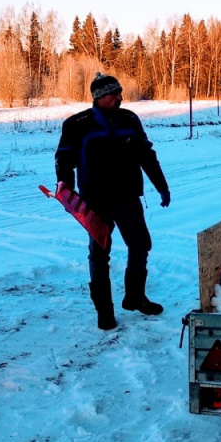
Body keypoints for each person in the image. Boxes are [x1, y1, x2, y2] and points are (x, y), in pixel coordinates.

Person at [55, 73, 171, 330]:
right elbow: (64, 158)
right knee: (99, 254)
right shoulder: (77, 124)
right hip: (95, 201)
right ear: (101, 97)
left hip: (127, 198)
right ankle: (104, 311)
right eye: (115, 94)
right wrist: (65, 185)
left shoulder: (129, 119)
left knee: (140, 245)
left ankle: (135, 297)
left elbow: (146, 155)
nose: (120, 97)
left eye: (119, 92)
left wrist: (161, 186)